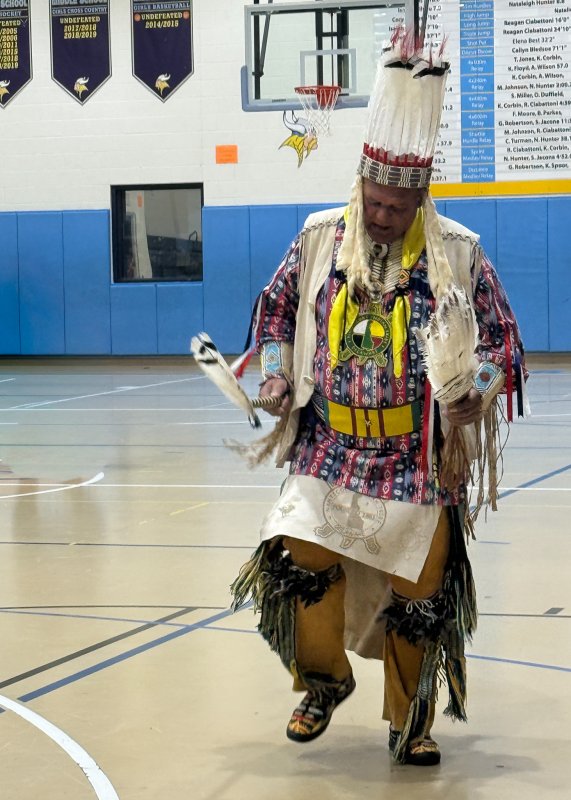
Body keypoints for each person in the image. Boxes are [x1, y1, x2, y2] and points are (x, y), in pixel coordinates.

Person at [230, 29, 527, 767]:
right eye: (374, 200)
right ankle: (322, 682)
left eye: (399, 205)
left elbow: (500, 345)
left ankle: (410, 719)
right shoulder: (319, 239)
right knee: (294, 560)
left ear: (421, 198)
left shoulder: (456, 251)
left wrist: (475, 397)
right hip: (328, 441)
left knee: (420, 596)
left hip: (414, 451)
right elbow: (274, 314)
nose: (383, 215)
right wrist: (273, 374)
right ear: (358, 186)